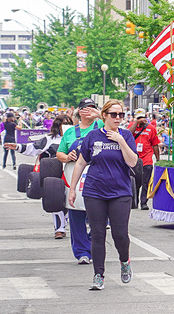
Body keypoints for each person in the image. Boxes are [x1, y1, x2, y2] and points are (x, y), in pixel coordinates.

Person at [69, 99, 138, 291]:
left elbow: (133, 162)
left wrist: (121, 141)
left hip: (120, 192)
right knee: (97, 234)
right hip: (95, 191)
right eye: (114, 115)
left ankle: (124, 261)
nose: (118, 118)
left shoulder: (126, 136)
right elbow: (81, 163)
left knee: (119, 235)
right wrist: (73, 188)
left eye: (121, 115)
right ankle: (98, 275)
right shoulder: (92, 136)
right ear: (104, 116)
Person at [6, 113, 70, 239]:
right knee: (55, 200)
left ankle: (66, 222)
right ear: (58, 125)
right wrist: (17, 147)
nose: (68, 126)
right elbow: (33, 148)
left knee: (69, 201)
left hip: (72, 172)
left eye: (69, 123)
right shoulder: (50, 139)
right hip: (54, 173)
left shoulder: (77, 137)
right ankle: (59, 228)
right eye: (65, 124)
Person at [56, 98, 103, 264]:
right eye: (85, 108)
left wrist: (99, 115)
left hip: (97, 175)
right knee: (76, 215)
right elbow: (59, 153)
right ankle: (82, 251)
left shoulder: (102, 126)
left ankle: (92, 244)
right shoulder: (70, 132)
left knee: (100, 216)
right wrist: (67, 156)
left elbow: (117, 127)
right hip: (74, 175)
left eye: (92, 108)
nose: (88, 111)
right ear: (79, 112)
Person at [128, 109, 160, 210]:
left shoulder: (151, 128)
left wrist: (158, 159)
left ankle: (144, 202)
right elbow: (128, 135)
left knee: (145, 181)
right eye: (139, 118)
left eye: (143, 117)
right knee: (135, 181)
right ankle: (135, 201)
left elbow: (155, 144)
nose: (141, 120)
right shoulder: (132, 126)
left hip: (147, 159)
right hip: (134, 159)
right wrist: (136, 123)